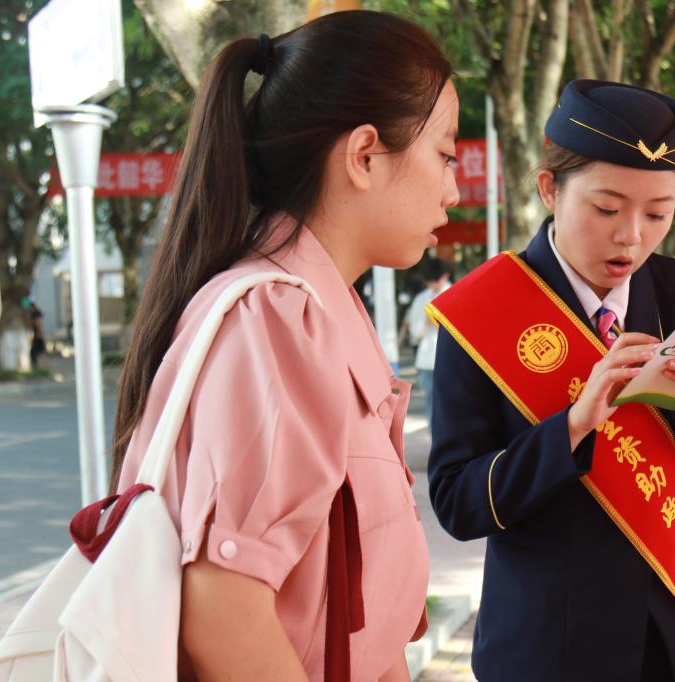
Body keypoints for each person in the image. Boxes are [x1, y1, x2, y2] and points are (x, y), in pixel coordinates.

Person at [109, 11, 459, 681]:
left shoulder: (324, 308)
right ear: (364, 156)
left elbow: (361, 617)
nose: (453, 188)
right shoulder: (277, 318)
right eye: (444, 154)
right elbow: (224, 612)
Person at [427, 80, 675, 681]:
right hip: (551, 651)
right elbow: (458, 503)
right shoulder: (482, 310)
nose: (631, 235)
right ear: (549, 189)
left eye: (657, 213)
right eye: (607, 208)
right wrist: (574, 425)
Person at [405, 257, 451, 428]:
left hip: (451, 360)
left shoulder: (456, 293)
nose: (433, 285)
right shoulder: (421, 299)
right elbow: (414, 332)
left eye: (436, 281)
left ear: (445, 276)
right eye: (430, 281)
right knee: (431, 407)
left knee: (452, 408)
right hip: (427, 361)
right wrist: (426, 322)